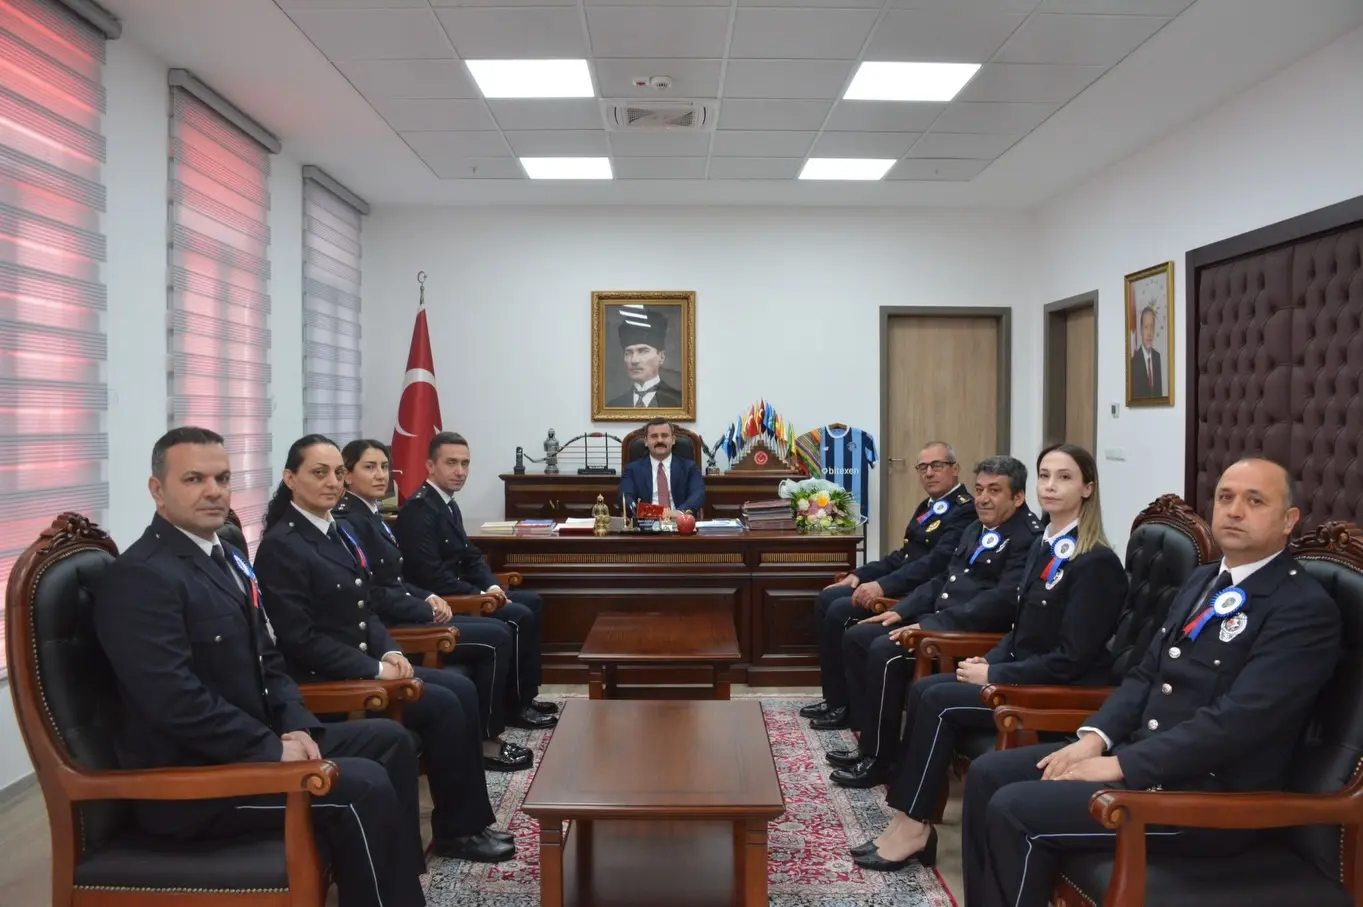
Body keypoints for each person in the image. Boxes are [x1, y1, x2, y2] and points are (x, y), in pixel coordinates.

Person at [962, 458, 1340, 907]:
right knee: (988, 774)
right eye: (1225, 498)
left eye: (1255, 501)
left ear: (1288, 521)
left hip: (1205, 797)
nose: (1235, 511)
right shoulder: (1205, 580)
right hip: (1144, 762)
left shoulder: (1300, 607)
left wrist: (1122, 767)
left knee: (1015, 809)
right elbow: (1148, 674)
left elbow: (1239, 722)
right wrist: (1094, 739)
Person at [94, 427, 426, 907]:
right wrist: (270, 747)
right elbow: (176, 701)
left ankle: (392, 881)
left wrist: (296, 724)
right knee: (364, 786)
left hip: (256, 739)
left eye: (222, 478)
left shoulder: (224, 555)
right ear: (157, 489)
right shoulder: (142, 576)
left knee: (389, 740)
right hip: (198, 782)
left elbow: (269, 659)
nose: (213, 491)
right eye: (194, 478)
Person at [852, 443, 1128, 871]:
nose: (1050, 486)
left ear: (1088, 489)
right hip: (1020, 671)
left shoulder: (1096, 562)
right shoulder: (1046, 545)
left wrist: (997, 672)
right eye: (1045, 476)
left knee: (938, 701)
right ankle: (909, 819)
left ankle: (912, 828)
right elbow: (1020, 630)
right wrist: (985, 663)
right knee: (926, 689)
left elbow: (1073, 659)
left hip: (1055, 689)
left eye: (1065, 477)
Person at [254, 434, 515, 863]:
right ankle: (458, 832)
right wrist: (373, 669)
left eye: (337, 473)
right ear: (289, 478)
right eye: (319, 473)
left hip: (363, 663)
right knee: (447, 703)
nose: (332, 482)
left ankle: (466, 824)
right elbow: (300, 641)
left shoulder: (336, 531)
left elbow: (367, 605)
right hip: (329, 680)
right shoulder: (282, 545)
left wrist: (390, 652)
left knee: (460, 693)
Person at [826, 455, 1040, 786]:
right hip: (939, 620)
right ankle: (870, 744)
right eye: (980, 489)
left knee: (885, 650)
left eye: (994, 491)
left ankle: (882, 761)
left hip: (969, 638)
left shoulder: (1027, 537)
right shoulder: (977, 527)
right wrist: (903, 610)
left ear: (1018, 497)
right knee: (858, 636)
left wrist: (929, 626)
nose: (982, 498)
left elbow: (998, 604)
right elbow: (944, 579)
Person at [335, 438, 530, 772]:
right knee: (497, 633)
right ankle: (487, 739)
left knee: (519, 611)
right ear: (347, 476)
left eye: (384, 467)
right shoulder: (350, 522)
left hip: (408, 610)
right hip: (394, 628)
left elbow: (398, 578)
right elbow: (376, 593)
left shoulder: (373, 515)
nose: (381, 475)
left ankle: (505, 718)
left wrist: (428, 598)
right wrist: (427, 604)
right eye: (370, 467)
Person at [803, 440, 976, 730]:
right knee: (828, 598)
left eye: (937, 466)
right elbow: (904, 555)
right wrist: (862, 573)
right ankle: (836, 700)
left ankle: (849, 708)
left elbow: (934, 564)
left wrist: (881, 586)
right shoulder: (930, 506)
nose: (929, 473)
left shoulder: (964, 511)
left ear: (955, 469)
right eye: (923, 467)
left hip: (920, 594)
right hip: (903, 584)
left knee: (840, 610)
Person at [394, 431, 557, 728]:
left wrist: (493, 587)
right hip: (439, 602)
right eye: (451, 463)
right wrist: (481, 597)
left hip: (462, 592)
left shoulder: (446, 503)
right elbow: (433, 578)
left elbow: (470, 556)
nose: (460, 472)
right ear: (430, 466)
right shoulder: (419, 511)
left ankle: (523, 696)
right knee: (517, 614)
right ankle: (512, 709)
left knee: (531, 601)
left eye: (465, 464)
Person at [618, 417, 706, 520]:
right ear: (646, 441)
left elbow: (698, 495)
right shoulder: (632, 469)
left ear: (673, 440)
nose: (660, 440)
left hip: (680, 525)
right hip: (646, 526)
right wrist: (646, 513)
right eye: (654, 436)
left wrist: (678, 513)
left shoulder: (689, 467)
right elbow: (625, 498)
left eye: (664, 436)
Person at [606, 307, 682, 408]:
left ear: (661, 357)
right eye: (628, 353)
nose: (634, 360)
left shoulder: (679, 403)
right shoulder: (613, 406)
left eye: (643, 351)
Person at [1130, 305, 1163, 399]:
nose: (1149, 333)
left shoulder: (1157, 357)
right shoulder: (1133, 362)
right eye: (1146, 327)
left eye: (1151, 327)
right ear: (1140, 330)